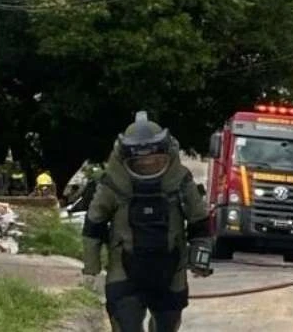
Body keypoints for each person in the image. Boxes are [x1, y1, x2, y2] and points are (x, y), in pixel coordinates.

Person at [81, 112, 211, 332]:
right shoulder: (113, 183)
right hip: (124, 268)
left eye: (155, 161)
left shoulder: (180, 180)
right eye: (141, 163)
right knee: (125, 324)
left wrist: (201, 257)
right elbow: (94, 224)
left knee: (167, 325)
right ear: (125, 159)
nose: (149, 166)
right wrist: (90, 268)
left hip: (171, 270)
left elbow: (200, 222)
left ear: (167, 154)